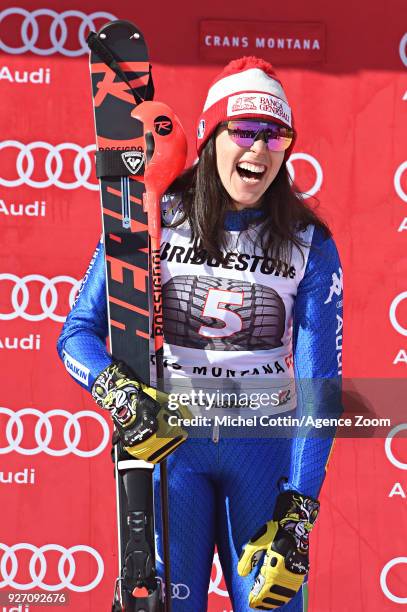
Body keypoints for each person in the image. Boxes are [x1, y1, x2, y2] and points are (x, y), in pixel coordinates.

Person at [57, 56, 343, 611]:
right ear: (212, 135)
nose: (258, 150)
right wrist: (118, 393)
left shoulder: (309, 240)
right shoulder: (153, 214)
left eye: (275, 135)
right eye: (242, 131)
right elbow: (78, 335)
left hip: (261, 450)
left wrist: (300, 510)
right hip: (175, 451)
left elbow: (320, 385)